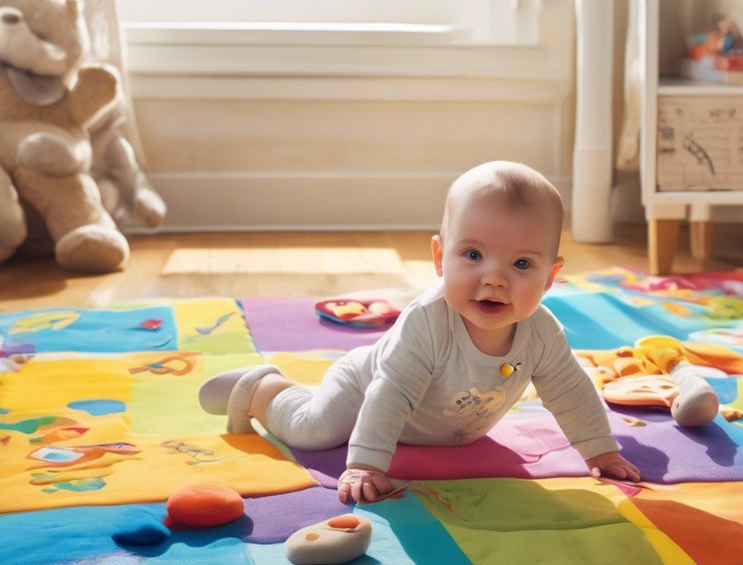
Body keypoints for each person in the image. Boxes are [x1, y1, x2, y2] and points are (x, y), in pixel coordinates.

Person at [199, 161, 640, 504]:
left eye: (522, 264)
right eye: (472, 254)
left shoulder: (542, 333)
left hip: (444, 423)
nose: (495, 278)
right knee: (313, 429)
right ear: (439, 257)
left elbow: (570, 390)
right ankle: (263, 389)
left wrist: (600, 451)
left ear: (550, 277)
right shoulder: (428, 322)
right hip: (365, 387)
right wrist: (366, 465)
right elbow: (390, 393)